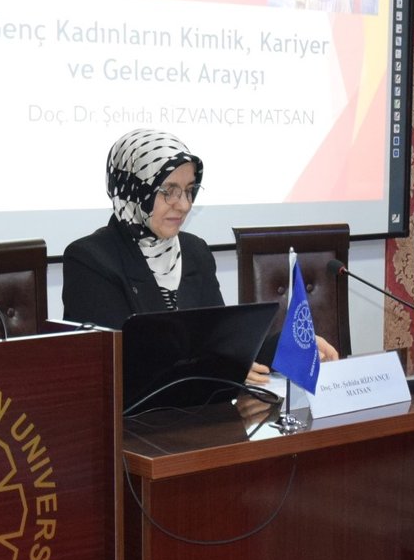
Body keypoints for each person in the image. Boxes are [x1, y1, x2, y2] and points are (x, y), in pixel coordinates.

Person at [62, 128, 336, 383]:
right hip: (133, 416)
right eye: (168, 191)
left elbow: (223, 344)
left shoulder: (194, 251)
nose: (184, 205)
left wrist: (290, 347)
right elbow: (120, 365)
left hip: (201, 409)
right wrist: (218, 368)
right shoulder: (90, 259)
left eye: (189, 190)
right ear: (134, 189)